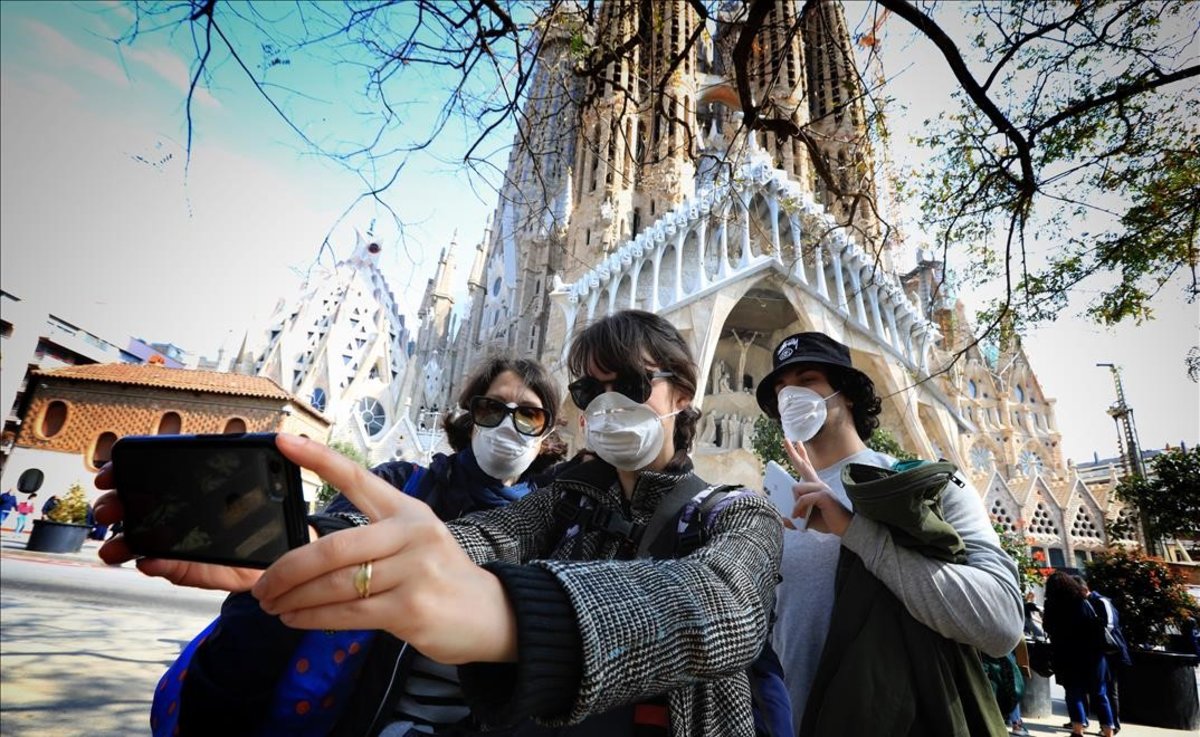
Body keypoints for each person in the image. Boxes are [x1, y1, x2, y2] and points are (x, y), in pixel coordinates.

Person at [98, 312, 784, 736]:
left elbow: (722, 606)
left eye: (628, 386)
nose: (605, 405)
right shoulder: (560, 505)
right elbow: (480, 537)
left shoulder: (734, 512)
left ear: (682, 394)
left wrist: (513, 615)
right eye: (587, 391)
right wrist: (309, 548)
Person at [99, 354, 568, 735]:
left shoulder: (550, 525)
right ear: (470, 418)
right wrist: (303, 544)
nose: (509, 425)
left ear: (548, 433)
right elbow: (338, 529)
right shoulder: (401, 484)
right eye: (492, 408)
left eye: (529, 414)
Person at [754, 331, 1024, 731]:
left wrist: (853, 530)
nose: (790, 396)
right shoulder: (775, 506)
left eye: (807, 380)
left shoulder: (924, 486)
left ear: (846, 393)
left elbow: (1000, 623)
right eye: (780, 389)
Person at [1043, 570, 1115, 737]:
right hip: (1092, 653)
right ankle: (1108, 730)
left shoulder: (1051, 604)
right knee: (1099, 692)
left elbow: (1047, 627)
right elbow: (1094, 623)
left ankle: (1078, 729)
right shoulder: (1081, 601)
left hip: (1066, 653)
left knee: (1074, 692)